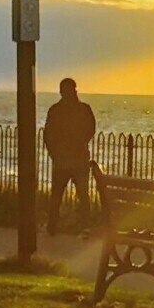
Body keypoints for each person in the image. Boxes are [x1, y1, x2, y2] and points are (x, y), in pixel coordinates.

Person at [42, 75, 97, 231]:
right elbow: (91, 130)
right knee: (80, 195)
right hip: (75, 158)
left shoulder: (56, 110)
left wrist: (54, 152)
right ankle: (83, 225)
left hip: (66, 158)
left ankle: (53, 225)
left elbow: (47, 135)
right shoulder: (83, 109)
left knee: (59, 195)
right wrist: (80, 143)